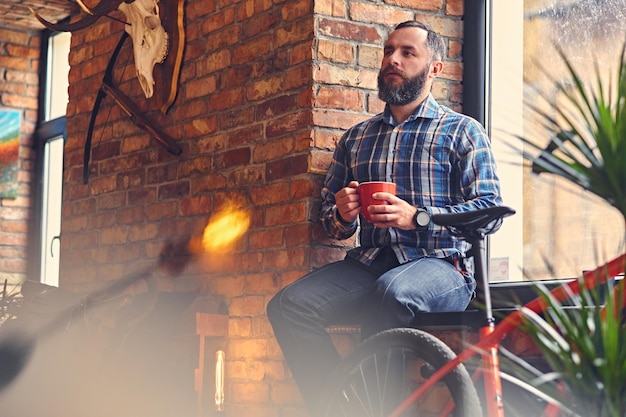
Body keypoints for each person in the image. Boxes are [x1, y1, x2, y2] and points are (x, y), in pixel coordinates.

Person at [266, 20, 502, 414]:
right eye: (389, 50)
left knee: (394, 293)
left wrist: (419, 218)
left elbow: (489, 212)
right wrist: (342, 214)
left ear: (435, 69)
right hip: (371, 263)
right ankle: (345, 407)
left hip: (442, 266)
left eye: (408, 53)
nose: (393, 59)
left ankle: (386, 409)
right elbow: (331, 222)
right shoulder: (356, 138)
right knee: (289, 306)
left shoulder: (463, 132)